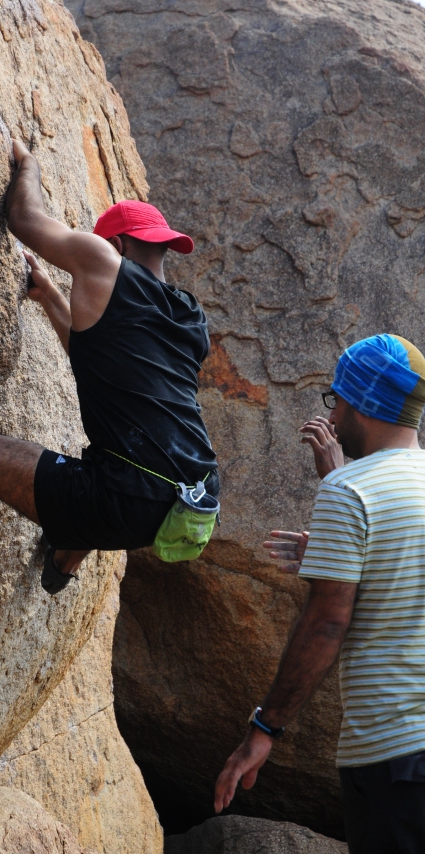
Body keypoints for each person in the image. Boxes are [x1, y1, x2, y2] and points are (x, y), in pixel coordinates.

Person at [0, 139, 218, 634]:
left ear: (115, 246)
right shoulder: (189, 316)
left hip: (126, 496)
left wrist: (28, 164)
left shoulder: (102, 260)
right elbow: (99, 362)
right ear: (162, 246)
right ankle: (62, 560)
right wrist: (50, 296)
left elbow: (25, 219)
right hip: (194, 495)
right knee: (107, 457)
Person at [214, 333, 425, 854]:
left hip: (393, 759)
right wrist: (343, 556)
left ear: (363, 403)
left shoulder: (349, 490)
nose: (331, 417)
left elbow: (327, 624)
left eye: (337, 400)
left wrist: (264, 728)